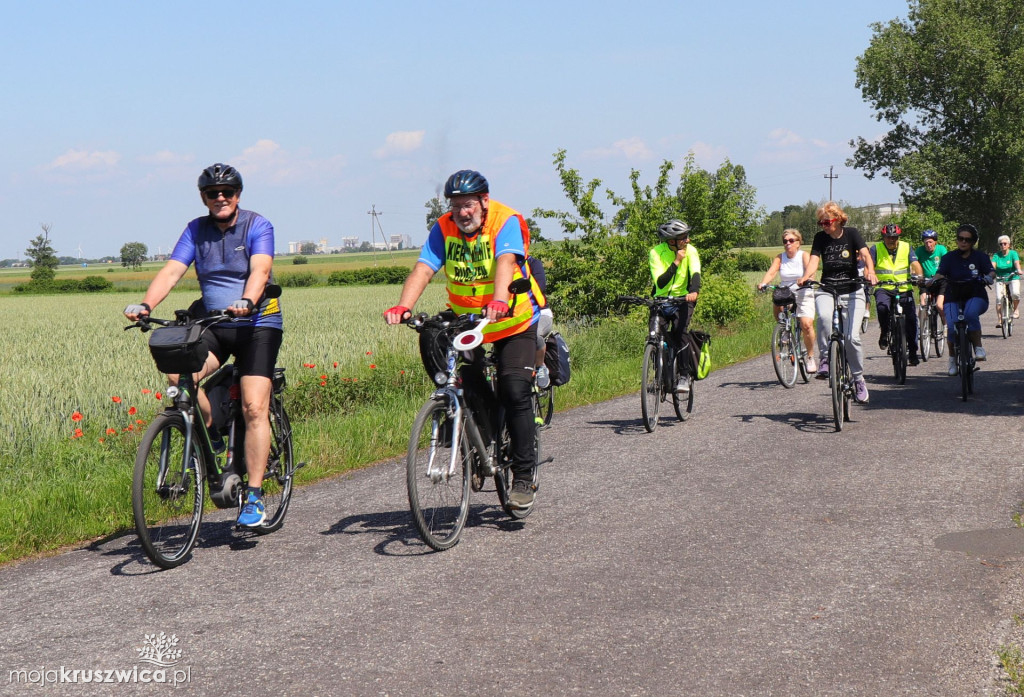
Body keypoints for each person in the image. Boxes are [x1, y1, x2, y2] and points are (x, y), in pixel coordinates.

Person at [124, 163, 282, 527]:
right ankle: (212, 440)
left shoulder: (258, 225)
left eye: (227, 192)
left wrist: (248, 299)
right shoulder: (196, 229)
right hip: (213, 321)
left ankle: (255, 497)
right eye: (213, 193)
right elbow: (172, 271)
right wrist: (147, 305)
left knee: (255, 407)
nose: (221, 198)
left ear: (238, 195)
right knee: (181, 377)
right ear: (204, 198)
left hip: (257, 323)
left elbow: (260, 269)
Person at [384, 170, 544, 510]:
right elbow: (424, 267)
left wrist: (499, 299)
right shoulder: (443, 228)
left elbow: (505, 261)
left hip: (510, 319)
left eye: (468, 205)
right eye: (455, 206)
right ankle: (481, 436)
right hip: (467, 322)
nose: (462, 212)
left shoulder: (505, 221)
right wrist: (404, 306)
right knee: (458, 377)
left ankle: (523, 476)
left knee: (515, 389)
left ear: (484, 202)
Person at [797, 201, 877, 403]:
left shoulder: (852, 233)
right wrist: (807, 276)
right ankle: (825, 358)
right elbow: (814, 260)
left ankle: (858, 380)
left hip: (852, 289)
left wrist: (870, 271)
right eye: (821, 223)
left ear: (838, 220)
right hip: (828, 288)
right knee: (823, 317)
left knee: (851, 337)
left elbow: (866, 254)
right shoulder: (820, 238)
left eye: (826, 222)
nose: (823, 226)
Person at [928, 223, 995, 375]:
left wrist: (988, 278)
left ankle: (978, 347)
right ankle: (952, 359)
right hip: (953, 296)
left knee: (970, 315)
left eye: (967, 239)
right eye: (960, 238)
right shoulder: (948, 257)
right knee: (951, 328)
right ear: (957, 240)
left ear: (973, 242)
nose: (963, 242)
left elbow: (991, 272)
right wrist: (932, 281)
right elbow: (940, 273)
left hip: (976, 295)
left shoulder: (981, 257)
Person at [649, 219, 701, 392]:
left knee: (680, 332)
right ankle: (659, 376)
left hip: (682, 300)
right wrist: (677, 261)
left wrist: (693, 292)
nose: (688, 240)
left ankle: (684, 375)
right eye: (683, 237)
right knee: (653, 336)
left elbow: (695, 273)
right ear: (672, 241)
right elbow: (661, 283)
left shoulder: (691, 251)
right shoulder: (656, 253)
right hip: (661, 300)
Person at [757, 228, 817, 373]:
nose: (788, 243)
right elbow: (772, 271)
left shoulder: (803, 255)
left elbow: (811, 271)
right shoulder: (780, 257)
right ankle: (784, 328)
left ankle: (810, 357)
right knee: (777, 300)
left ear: (798, 242)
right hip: (786, 291)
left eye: (791, 240)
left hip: (803, 290)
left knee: (806, 324)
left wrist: (807, 280)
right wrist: (763, 283)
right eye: (785, 241)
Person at [870, 223, 924, 366]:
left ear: (898, 237)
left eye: (894, 237)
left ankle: (912, 352)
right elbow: (869, 267)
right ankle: (885, 332)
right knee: (882, 308)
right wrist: (869, 277)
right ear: (884, 237)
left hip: (903, 287)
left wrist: (919, 276)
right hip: (884, 287)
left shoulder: (906, 247)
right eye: (888, 237)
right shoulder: (876, 248)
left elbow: (915, 263)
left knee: (911, 320)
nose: (891, 240)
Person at [527, 255, 554, 389]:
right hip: (511, 317)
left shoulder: (532, 263)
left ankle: (540, 367)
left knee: (535, 334)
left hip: (540, 313)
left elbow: (540, 287)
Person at [915, 228, 947, 319]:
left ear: (935, 242)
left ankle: (946, 326)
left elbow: (946, 263)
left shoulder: (941, 249)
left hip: (940, 280)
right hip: (925, 280)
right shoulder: (919, 251)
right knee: (922, 303)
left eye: (930, 242)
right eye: (926, 243)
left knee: (939, 306)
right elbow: (913, 264)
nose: (928, 245)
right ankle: (921, 327)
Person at [991, 234, 1022, 327]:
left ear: (1009, 244)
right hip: (1000, 278)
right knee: (998, 299)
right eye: (1001, 244)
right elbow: (993, 266)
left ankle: (1016, 309)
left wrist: (1019, 270)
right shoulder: (996, 255)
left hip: (1013, 277)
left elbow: (1016, 263)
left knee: (1015, 293)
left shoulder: (1013, 253)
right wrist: (991, 273)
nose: (1003, 245)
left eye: (1005, 243)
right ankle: (1000, 320)